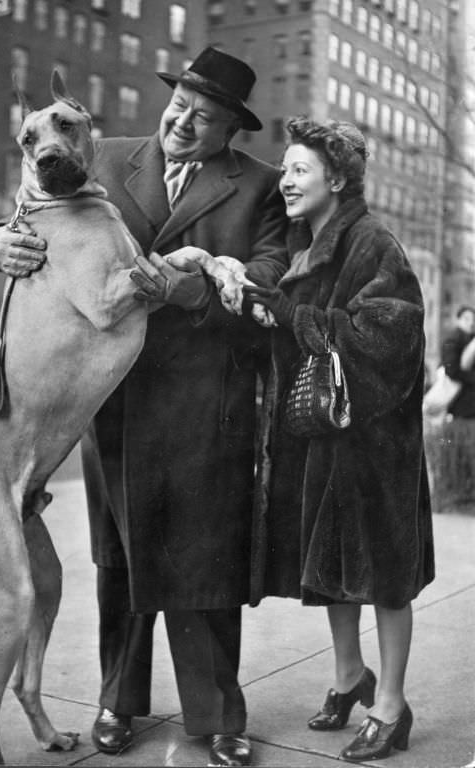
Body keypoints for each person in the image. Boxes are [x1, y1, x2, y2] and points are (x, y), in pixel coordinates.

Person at [0, 48, 288, 767]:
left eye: (205, 117)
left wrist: (192, 291)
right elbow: (22, 213)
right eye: (180, 105)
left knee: (207, 563)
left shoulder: (260, 187)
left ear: (231, 131)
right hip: (113, 400)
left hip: (209, 405)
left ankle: (217, 718)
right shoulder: (97, 154)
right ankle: (119, 702)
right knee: (119, 561)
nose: (184, 121)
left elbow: (267, 280)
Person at [242, 117, 434, 762]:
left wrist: (294, 314)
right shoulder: (311, 242)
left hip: (377, 444)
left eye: (299, 169)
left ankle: (392, 705)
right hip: (328, 434)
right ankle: (351, 678)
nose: (286, 180)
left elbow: (391, 336)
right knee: (332, 571)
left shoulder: (372, 240)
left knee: (384, 575)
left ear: (339, 178)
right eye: (286, 169)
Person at [441, 305, 475, 419]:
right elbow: (452, 370)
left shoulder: (469, 339)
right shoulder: (453, 339)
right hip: (461, 404)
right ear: (458, 320)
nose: (471, 323)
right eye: (467, 319)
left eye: (473, 320)